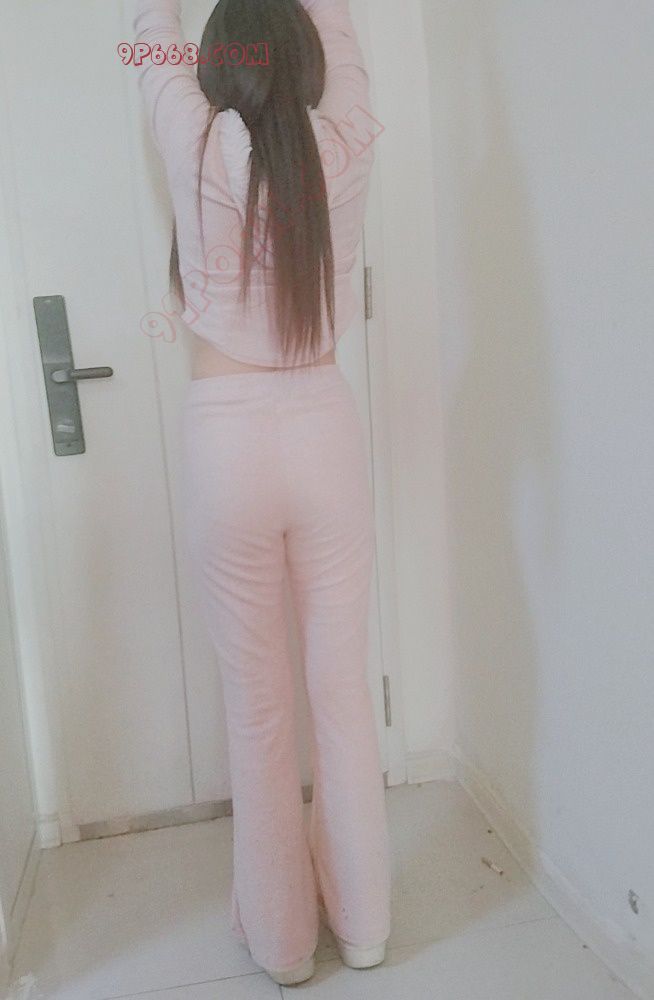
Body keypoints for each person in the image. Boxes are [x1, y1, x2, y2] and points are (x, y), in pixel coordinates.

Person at [132, 0, 391, 985]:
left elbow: (150, 30)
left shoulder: (191, 139)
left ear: (214, 66)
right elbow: (343, 34)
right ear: (309, 58)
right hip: (325, 427)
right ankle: (365, 926)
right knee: (343, 692)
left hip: (226, 442)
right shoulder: (347, 138)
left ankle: (283, 946)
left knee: (257, 708)